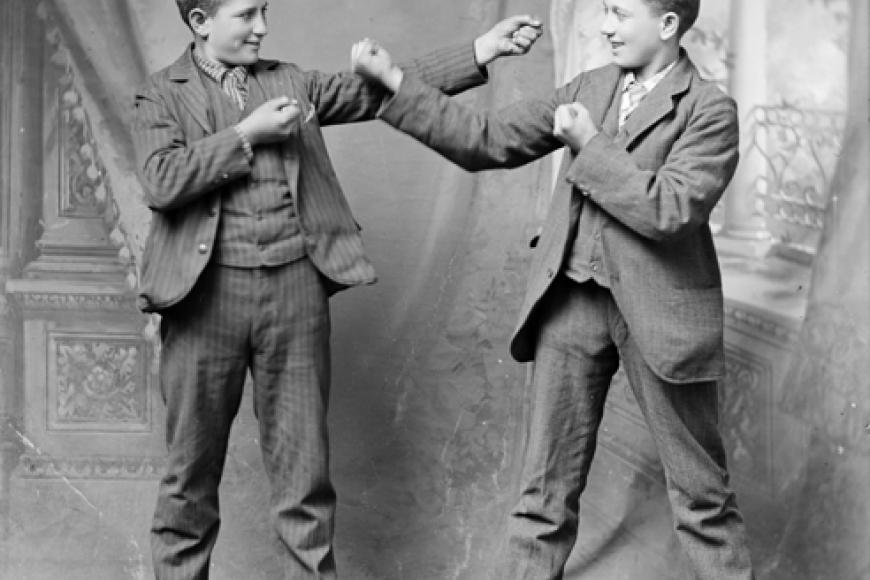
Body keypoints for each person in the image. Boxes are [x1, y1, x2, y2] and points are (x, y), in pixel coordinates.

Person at [132, 0, 542, 577]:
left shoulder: (290, 81)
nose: (263, 27)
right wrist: (246, 134)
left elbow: (375, 90)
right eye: (246, 14)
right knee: (188, 478)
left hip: (295, 299)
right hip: (203, 303)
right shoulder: (159, 93)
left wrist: (482, 50)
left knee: (304, 481)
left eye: (264, 11)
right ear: (200, 22)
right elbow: (161, 180)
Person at [351, 0, 755, 578]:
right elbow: (487, 139)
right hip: (571, 300)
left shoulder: (710, 110)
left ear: (668, 24)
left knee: (702, 498)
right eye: (605, 10)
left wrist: (590, 144)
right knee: (542, 494)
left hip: (661, 317)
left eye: (621, 13)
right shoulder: (591, 86)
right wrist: (395, 81)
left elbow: (669, 210)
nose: (606, 26)